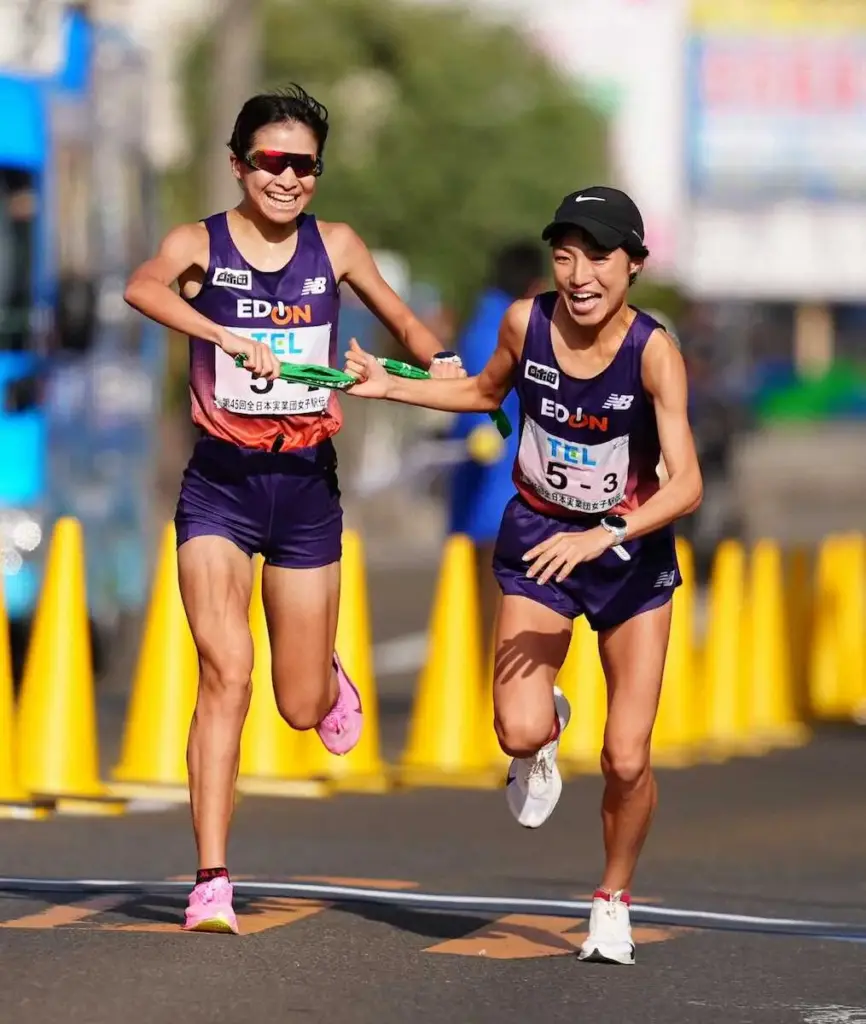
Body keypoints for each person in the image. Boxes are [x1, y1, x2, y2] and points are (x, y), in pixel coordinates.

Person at [123, 84, 463, 935]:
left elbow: (407, 325)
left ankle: (324, 677)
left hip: (307, 488)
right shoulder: (198, 245)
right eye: (270, 161)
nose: (286, 178)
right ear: (238, 165)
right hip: (222, 487)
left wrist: (443, 368)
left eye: (304, 165)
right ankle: (211, 878)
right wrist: (221, 334)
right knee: (224, 671)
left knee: (300, 706)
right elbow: (141, 288)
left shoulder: (335, 245)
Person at [343, 186, 703, 966]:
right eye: (565, 256)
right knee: (517, 730)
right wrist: (392, 385)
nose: (579, 274)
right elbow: (482, 392)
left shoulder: (654, 353)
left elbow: (686, 486)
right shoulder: (524, 324)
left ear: (633, 265)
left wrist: (606, 531)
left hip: (628, 557)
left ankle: (612, 899)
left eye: (598, 257)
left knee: (627, 756)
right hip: (541, 539)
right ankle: (545, 731)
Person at [447, 241, 546, 644]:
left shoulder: (482, 321)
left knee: (481, 596)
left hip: (483, 483)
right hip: (504, 485)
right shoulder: (507, 328)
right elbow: (486, 403)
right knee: (499, 602)